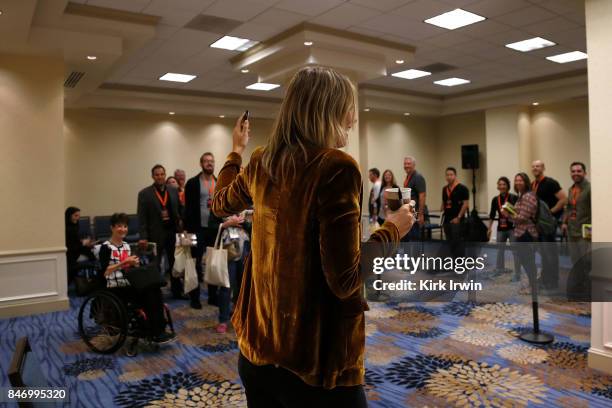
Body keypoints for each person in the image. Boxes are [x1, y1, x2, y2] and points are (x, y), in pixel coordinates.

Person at [211, 66, 413, 407]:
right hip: (317, 364)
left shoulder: (261, 161)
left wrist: (236, 150)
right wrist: (393, 228)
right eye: (349, 108)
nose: (353, 119)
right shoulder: (337, 167)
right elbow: (346, 278)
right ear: (331, 110)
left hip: (259, 350)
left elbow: (219, 203)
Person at [99, 213, 176, 344]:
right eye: (119, 226)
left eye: (125, 226)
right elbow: (105, 272)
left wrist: (134, 263)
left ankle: (159, 329)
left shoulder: (126, 246)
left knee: (155, 290)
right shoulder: (105, 247)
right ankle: (154, 331)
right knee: (148, 295)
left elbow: (129, 267)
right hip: (114, 285)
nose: (123, 229)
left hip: (129, 281)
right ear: (112, 228)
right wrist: (124, 263)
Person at [137, 164, 184, 299]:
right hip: (155, 234)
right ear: (152, 176)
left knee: (175, 263)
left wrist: (182, 222)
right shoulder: (144, 194)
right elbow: (142, 217)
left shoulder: (173, 190)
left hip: (172, 232)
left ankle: (177, 291)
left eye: (162, 174)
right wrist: (143, 236)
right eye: (157, 174)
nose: (160, 177)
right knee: (155, 265)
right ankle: (155, 293)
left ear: (165, 175)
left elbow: (180, 209)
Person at [184, 153, 223, 309]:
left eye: (211, 161)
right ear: (201, 163)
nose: (209, 164)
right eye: (206, 161)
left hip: (215, 229)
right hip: (195, 229)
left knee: (214, 263)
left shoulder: (219, 182)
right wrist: (186, 232)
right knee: (193, 263)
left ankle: (213, 296)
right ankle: (194, 298)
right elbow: (187, 209)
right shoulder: (192, 183)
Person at [531, 160, 567, 289]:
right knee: (543, 253)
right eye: (534, 166)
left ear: (543, 168)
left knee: (550, 253)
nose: (535, 168)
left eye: (538, 166)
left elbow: (563, 199)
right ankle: (545, 277)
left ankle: (553, 280)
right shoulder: (533, 184)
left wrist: (551, 213)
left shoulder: (551, 183)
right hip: (538, 225)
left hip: (549, 225)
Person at [216, 211, 251, 334]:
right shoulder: (221, 203)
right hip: (228, 247)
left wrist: (243, 222)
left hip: (245, 248)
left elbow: (254, 227)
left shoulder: (248, 206)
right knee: (226, 286)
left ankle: (240, 317)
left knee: (243, 286)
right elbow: (210, 226)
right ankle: (223, 320)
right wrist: (227, 224)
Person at [503, 173, 538, 289]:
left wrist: (508, 215)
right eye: (516, 180)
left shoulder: (528, 196)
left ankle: (533, 286)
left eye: (521, 180)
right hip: (521, 232)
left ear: (526, 182)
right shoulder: (521, 195)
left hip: (526, 232)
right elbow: (519, 213)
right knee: (526, 260)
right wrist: (511, 210)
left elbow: (523, 217)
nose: (518, 183)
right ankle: (532, 284)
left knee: (528, 261)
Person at [561, 162, 591, 299]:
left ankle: (587, 291)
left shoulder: (590, 188)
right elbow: (568, 207)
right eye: (573, 171)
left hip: (584, 233)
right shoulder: (571, 189)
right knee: (575, 261)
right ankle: (578, 288)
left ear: (585, 173)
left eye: (579, 171)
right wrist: (565, 222)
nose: (576, 173)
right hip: (572, 231)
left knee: (586, 262)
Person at [488, 177, 520, 280]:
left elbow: (518, 213)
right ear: (498, 186)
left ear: (508, 186)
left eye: (504, 184)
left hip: (512, 228)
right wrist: (489, 228)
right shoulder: (495, 199)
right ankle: (499, 269)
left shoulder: (514, 197)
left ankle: (517, 273)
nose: (502, 186)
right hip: (500, 228)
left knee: (515, 250)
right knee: (500, 250)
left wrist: (511, 214)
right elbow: (492, 215)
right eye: (500, 184)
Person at [440, 167, 469, 257]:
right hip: (447, 219)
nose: (449, 177)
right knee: (449, 242)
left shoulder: (462, 188)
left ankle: (460, 264)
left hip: (457, 220)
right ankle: (452, 262)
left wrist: (459, 217)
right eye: (447, 175)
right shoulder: (444, 189)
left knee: (458, 243)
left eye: (451, 175)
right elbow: (444, 202)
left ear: (455, 176)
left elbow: (465, 204)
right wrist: (441, 208)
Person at [65, 207, 94, 284]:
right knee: (91, 252)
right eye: (75, 216)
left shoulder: (74, 225)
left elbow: (75, 240)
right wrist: (83, 243)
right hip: (71, 252)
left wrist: (83, 242)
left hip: (76, 248)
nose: (77, 218)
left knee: (92, 249)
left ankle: (92, 275)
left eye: (78, 216)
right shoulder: (67, 228)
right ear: (69, 216)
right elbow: (71, 244)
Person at [402, 156, 426, 241]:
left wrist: (420, 214)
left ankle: (416, 255)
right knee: (409, 238)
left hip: (416, 213)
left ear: (414, 165)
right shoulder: (408, 177)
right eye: (405, 164)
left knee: (415, 239)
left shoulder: (418, 177)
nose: (406, 165)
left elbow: (422, 196)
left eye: (409, 163)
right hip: (409, 213)